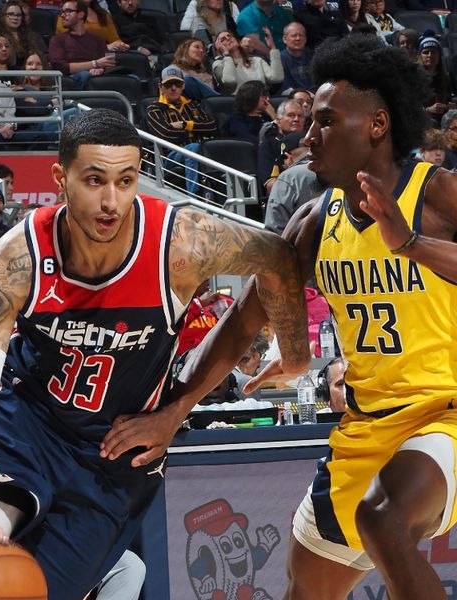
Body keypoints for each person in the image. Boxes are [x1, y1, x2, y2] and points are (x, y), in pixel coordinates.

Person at [0, 108, 309, 598]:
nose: (111, 201)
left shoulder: (182, 244)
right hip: (27, 425)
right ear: (61, 178)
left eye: (126, 180)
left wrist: (294, 358)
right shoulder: (17, 258)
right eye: (95, 180)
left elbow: (278, 258)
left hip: (111, 453)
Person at [180, 34, 457, 600]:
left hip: (445, 414)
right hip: (365, 427)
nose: (308, 136)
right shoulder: (313, 221)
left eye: (325, 122)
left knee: (383, 517)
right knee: (306, 590)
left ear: (377, 126)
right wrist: (175, 410)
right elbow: (244, 318)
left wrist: (409, 244)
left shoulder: (439, 196)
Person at [145, 66, 216, 193]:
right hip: (170, 157)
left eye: (177, 84)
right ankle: (193, 196)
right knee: (193, 148)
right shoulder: (155, 109)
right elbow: (165, 134)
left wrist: (185, 125)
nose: (173, 88)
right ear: (160, 87)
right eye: (168, 85)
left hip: (199, 152)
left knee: (206, 149)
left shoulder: (192, 105)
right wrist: (196, 129)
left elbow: (211, 125)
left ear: (183, 86)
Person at [48, 0, 116, 89]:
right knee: (85, 75)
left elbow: (109, 64)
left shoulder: (98, 39)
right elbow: (61, 67)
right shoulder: (57, 40)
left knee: (132, 78)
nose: (63, 15)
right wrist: (95, 64)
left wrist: (101, 70)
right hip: (70, 79)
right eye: (62, 12)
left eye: (68, 11)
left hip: (96, 77)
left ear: (81, 14)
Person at [211, 29, 283, 95]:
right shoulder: (219, 64)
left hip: (262, 100)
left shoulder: (257, 60)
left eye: (229, 36)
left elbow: (277, 78)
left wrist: (273, 48)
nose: (228, 38)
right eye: (223, 39)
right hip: (237, 105)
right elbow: (230, 81)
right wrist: (226, 55)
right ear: (218, 47)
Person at [257, 98, 306, 193]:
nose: (296, 119)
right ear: (279, 121)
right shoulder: (269, 144)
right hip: (285, 197)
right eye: (291, 115)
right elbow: (270, 184)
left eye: (300, 116)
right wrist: (290, 173)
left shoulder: (311, 141)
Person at [0, 0, 46, 68]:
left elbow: (43, 57)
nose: (15, 18)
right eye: (11, 14)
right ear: (3, 16)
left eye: (18, 15)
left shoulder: (33, 36)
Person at [55, 0, 128, 51]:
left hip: (103, 56)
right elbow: (71, 42)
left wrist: (121, 45)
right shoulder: (66, 14)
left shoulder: (103, 14)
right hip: (76, 57)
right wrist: (105, 47)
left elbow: (114, 39)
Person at [417, 32, 452, 122]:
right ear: (420, 56)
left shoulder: (445, 77)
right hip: (422, 119)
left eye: (434, 52)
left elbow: (448, 99)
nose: (430, 55)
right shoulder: (412, 78)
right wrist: (428, 110)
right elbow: (407, 108)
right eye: (425, 52)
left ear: (439, 56)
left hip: (444, 118)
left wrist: (450, 106)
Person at [228, 79, 275, 144]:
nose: (268, 99)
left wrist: (274, 117)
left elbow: (283, 134)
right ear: (251, 97)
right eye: (263, 96)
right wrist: (267, 145)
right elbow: (245, 137)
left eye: (267, 95)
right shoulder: (238, 117)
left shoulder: (267, 115)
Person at [280, 21, 314, 93]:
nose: (298, 38)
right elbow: (284, 87)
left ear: (305, 39)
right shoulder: (280, 58)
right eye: (293, 36)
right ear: (284, 39)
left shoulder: (313, 55)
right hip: (293, 97)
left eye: (301, 35)